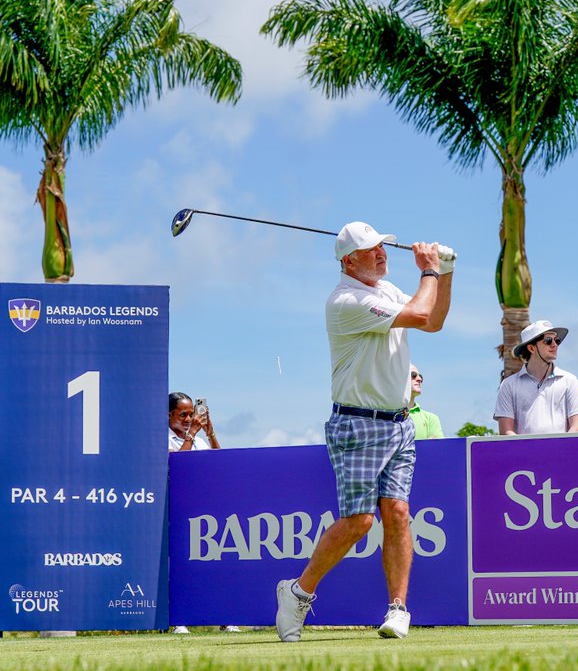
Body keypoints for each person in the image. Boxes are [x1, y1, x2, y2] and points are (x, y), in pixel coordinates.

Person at [275, 221, 453, 643]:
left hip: (399, 423)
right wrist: (429, 270)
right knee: (358, 522)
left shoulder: (385, 291)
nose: (382, 254)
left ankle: (397, 609)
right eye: (372, 250)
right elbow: (422, 312)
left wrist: (445, 273)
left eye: (383, 247)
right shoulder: (345, 301)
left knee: (398, 513)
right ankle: (298, 593)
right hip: (357, 422)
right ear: (348, 261)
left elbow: (435, 322)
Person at [167, 392, 235, 634]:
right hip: (176, 509)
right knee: (181, 568)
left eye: (190, 414)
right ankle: (179, 621)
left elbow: (220, 462)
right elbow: (178, 468)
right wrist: (192, 434)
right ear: (169, 415)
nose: (188, 419)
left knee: (213, 566)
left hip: (204, 510)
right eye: (182, 414)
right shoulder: (164, 439)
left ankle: (225, 619)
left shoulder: (198, 441)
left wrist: (210, 433)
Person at [492, 321, 578, 434]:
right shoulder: (508, 385)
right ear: (531, 348)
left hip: (561, 451)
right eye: (548, 341)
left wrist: (560, 449)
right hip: (524, 451)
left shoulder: (570, 381)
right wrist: (528, 450)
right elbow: (506, 431)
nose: (554, 344)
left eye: (557, 340)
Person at [408, 364, 444, 440]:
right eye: (413, 375)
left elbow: (439, 449)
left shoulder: (431, 419)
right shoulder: (384, 415)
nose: (419, 379)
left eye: (420, 376)